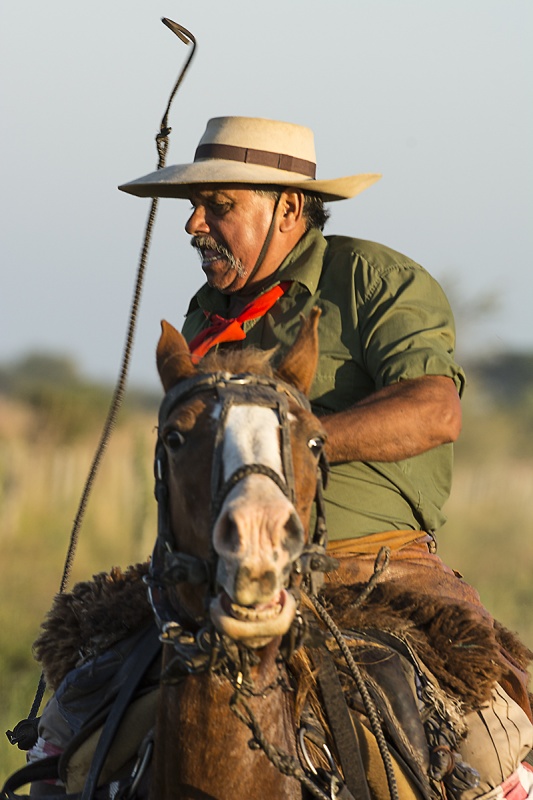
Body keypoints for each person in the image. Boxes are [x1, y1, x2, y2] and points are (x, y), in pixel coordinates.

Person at [119, 116, 533, 798]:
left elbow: (435, 410)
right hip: (217, 574)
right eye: (193, 208)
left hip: (378, 570)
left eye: (216, 205)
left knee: (488, 740)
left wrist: (280, 448)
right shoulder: (205, 313)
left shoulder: (371, 277)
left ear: (288, 207)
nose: (193, 224)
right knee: (77, 691)